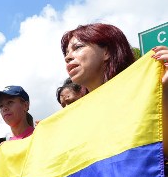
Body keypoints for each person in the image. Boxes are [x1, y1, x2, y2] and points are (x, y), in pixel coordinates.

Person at [62, 24, 168, 153]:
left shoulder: (150, 90)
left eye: (77, 47)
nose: (68, 57)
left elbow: (158, 149)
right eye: (66, 53)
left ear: (107, 52)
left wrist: (164, 90)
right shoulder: (77, 118)